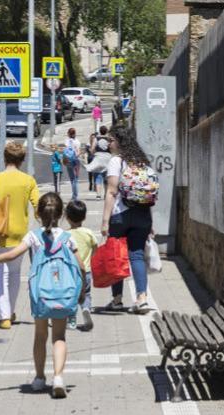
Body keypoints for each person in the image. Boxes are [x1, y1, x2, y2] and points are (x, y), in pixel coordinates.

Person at [0, 193, 86, 398]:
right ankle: (59, 377)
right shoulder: (67, 238)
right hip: (63, 293)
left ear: (38, 215)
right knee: (59, 337)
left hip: (41, 294)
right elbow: (80, 266)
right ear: (61, 214)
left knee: (40, 335)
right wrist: (82, 290)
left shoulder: (33, 236)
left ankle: (39, 377)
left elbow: (12, 254)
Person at [0, 141, 40, 329]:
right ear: (22, 160)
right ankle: (11, 311)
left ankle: (4, 315)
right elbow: (38, 206)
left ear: (4, 157)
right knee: (15, 273)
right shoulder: (28, 181)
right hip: (19, 234)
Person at [101, 126, 154, 314]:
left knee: (117, 256)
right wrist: (151, 223)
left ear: (120, 142)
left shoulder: (117, 161)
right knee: (137, 255)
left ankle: (117, 300)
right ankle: (142, 299)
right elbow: (147, 193)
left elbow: (112, 191)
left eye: (111, 140)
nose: (108, 143)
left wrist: (105, 220)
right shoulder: (143, 162)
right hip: (142, 215)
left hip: (120, 215)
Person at [65, 200, 97, 331]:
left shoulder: (66, 234)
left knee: (70, 296)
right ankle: (86, 308)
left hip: (70, 272)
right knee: (86, 293)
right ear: (84, 217)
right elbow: (95, 247)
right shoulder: (88, 232)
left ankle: (72, 321)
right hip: (86, 271)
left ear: (67, 217)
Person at [91, 126, 111, 199]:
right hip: (107, 158)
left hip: (99, 158)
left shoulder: (96, 138)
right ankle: (106, 194)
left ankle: (98, 195)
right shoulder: (109, 139)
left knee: (98, 176)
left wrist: (94, 154)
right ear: (106, 131)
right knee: (106, 176)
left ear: (100, 131)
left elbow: (92, 149)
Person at [64, 128, 81, 200]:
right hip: (76, 161)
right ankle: (75, 196)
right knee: (75, 179)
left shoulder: (67, 141)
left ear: (68, 134)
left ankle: (74, 195)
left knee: (72, 179)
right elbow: (78, 152)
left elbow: (66, 151)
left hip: (68, 161)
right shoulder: (77, 142)